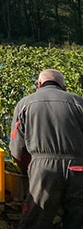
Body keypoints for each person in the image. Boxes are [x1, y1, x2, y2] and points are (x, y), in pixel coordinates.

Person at [10, 68, 83, 228]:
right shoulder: (78, 102)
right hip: (78, 169)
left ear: (39, 84)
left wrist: (28, 171)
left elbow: (17, 149)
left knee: (35, 222)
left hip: (43, 170)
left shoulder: (25, 104)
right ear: (64, 87)